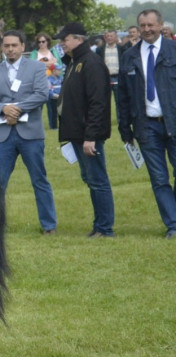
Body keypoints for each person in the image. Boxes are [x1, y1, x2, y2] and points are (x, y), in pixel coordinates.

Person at [0, 30, 57, 234]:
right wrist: (3, 109)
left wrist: (17, 108)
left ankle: (49, 225)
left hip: (30, 134)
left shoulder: (36, 68)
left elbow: (42, 94)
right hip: (5, 135)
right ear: (2, 48)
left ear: (23, 47)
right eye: (7, 46)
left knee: (39, 180)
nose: (10, 49)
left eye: (14, 45)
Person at [116, 9, 176, 239]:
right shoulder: (129, 56)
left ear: (161, 25)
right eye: (142, 25)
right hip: (146, 126)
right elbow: (122, 96)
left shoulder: (173, 51)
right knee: (159, 178)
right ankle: (173, 224)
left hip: (173, 121)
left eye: (151, 25)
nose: (147, 29)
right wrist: (124, 129)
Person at [56, 22, 115, 238]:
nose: (62, 43)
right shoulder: (74, 62)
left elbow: (98, 102)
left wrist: (91, 136)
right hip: (76, 133)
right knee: (90, 179)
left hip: (87, 135)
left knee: (98, 180)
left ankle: (105, 228)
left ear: (79, 39)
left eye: (66, 38)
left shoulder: (91, 63)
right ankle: (99, 225)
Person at [29, 33, 63, 130]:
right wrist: (50, 62)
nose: (41, 44)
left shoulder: (54, 51)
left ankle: (53, 126)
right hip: (39, 82)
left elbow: (58, 65)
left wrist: (42, 63)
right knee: (38, 106)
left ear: (47, 42)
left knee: (53, 107)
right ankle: (36, 126)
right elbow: (32, 65)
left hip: (53, 84)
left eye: (43, 41)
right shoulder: (34, 53)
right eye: (39, 42)